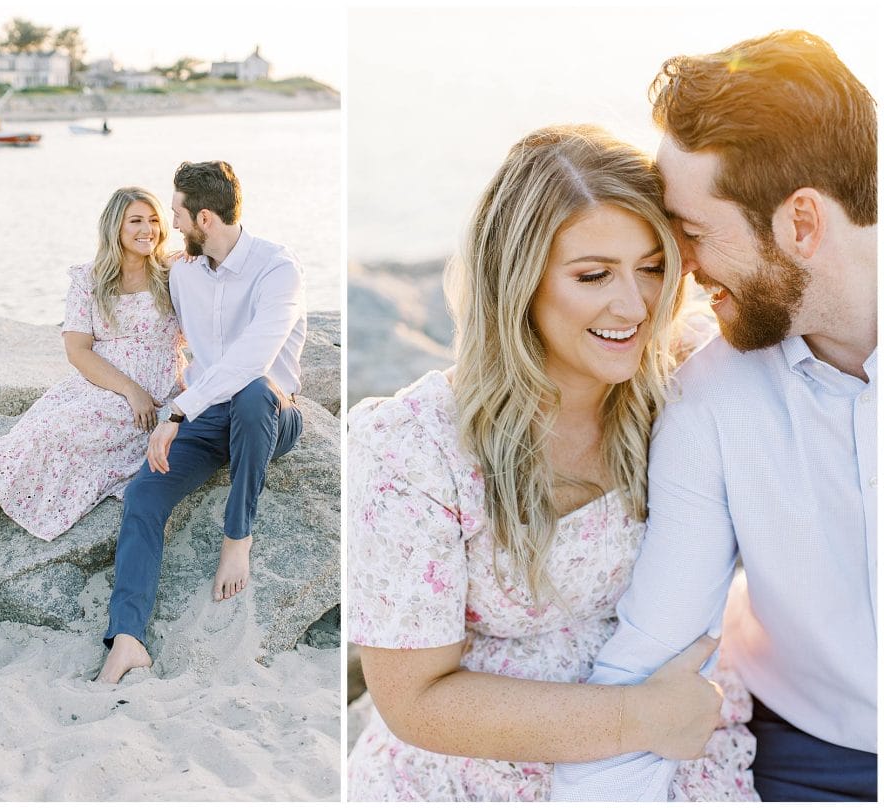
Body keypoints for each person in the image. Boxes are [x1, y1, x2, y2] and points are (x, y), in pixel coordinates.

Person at [347, 125, 757, 801]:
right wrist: (642, 717)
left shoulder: (685, 382)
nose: (634, 306)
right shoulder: (410, 452)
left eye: (654, 267)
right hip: (481, 771)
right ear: (519, 279)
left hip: (677, 752)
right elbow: (414, 699)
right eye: (593, 275)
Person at [552, 31, 876, 802]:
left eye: (692, 232)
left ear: (801, 224)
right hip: (810, 755)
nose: (681, 269)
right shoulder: (709, 399)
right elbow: (654, 652)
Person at [0, 187, 184, 556]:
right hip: (100, 384)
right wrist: (127, 388)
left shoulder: (174, 274)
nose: (148, 229)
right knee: (33, 440)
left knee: (48, 441)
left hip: (149, 398)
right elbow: (77, 351)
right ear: (115, 228)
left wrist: (147, 394)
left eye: (154, 220)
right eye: (136, 220)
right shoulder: (88, 280)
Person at [97, 160, 306, 684]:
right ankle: (128, 638)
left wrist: (176, 412)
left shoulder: (278, 269)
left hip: (271, 416)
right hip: (211, 417)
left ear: (205, 219)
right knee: (144, 492)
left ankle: (238, 539)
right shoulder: (184, 270)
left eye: (176, 215)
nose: (170, 225)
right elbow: (124, 272)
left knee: (255, 391)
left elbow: (251, 362)